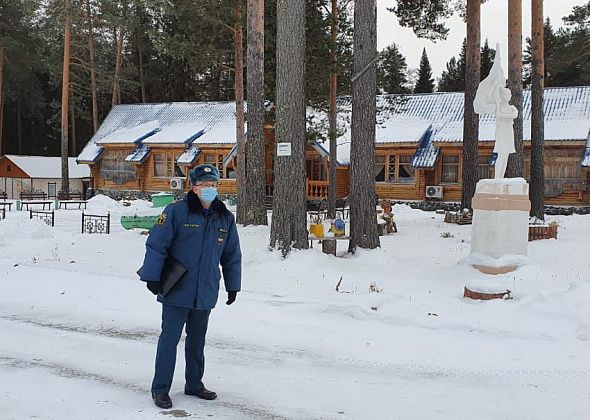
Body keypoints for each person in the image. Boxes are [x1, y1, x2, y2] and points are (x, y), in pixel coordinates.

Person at [139, 164, 242, 409]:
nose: (210, 190)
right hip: (177, 289)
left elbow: (231, 254)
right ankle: (160, 388)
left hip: (205, 291)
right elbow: (157, 244)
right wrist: (152, 277)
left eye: (213, 185)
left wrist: (232, 285)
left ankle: (194, 384)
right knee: (169, 340)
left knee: (197, 342)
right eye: (205, 185)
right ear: (193, 187)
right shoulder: (177, 212)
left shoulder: (225, 218)